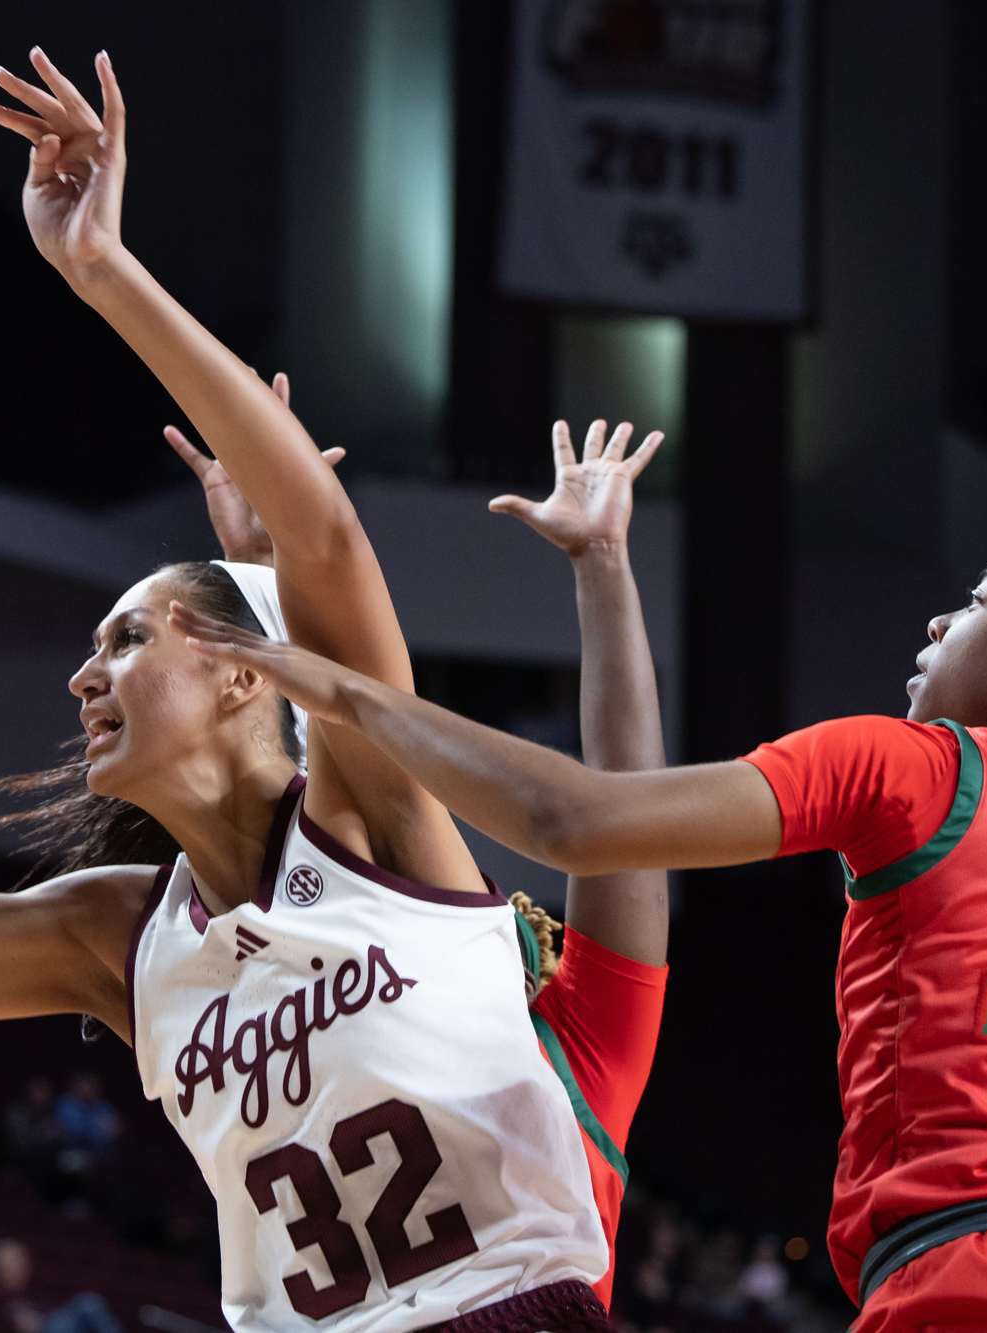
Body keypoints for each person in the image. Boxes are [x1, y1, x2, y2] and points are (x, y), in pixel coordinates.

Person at [0, 42, 624, 1333]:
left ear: (233, 672)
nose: (81, 672)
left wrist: (102, 269)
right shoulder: (120, 935)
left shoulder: (372, 811)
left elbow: (322, 536)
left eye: (123, 638)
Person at [175, 517, 987, 1331]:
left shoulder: (923, 766)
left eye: (978, 600)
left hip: (980, 1282)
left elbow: (573, 820)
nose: (938, 621)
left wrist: (332, 686)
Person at [170, 409, 674, 1305]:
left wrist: (605, 567)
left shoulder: (584, 1051)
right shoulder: (328, 1009)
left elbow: (627, 802)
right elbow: (316, 794)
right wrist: (263, 573)